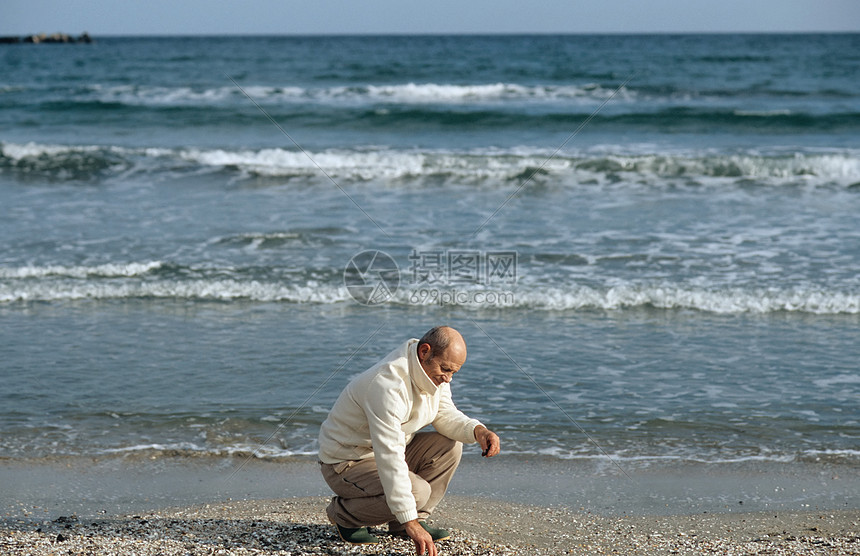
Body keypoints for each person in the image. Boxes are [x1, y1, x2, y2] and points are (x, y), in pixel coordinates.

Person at [318, 326, 500, 556]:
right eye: (445, 370)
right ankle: (344, 514)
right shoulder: (388, 385)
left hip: (384, 451)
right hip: (345, 462)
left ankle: (403, 524)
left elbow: (443, 412)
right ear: (425, 351)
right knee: (417, 492)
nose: (448, 378)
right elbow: (390, 457)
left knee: (450, 446)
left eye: (453, 372)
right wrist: (409, 519)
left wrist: (478, 431)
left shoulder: (431, 372)